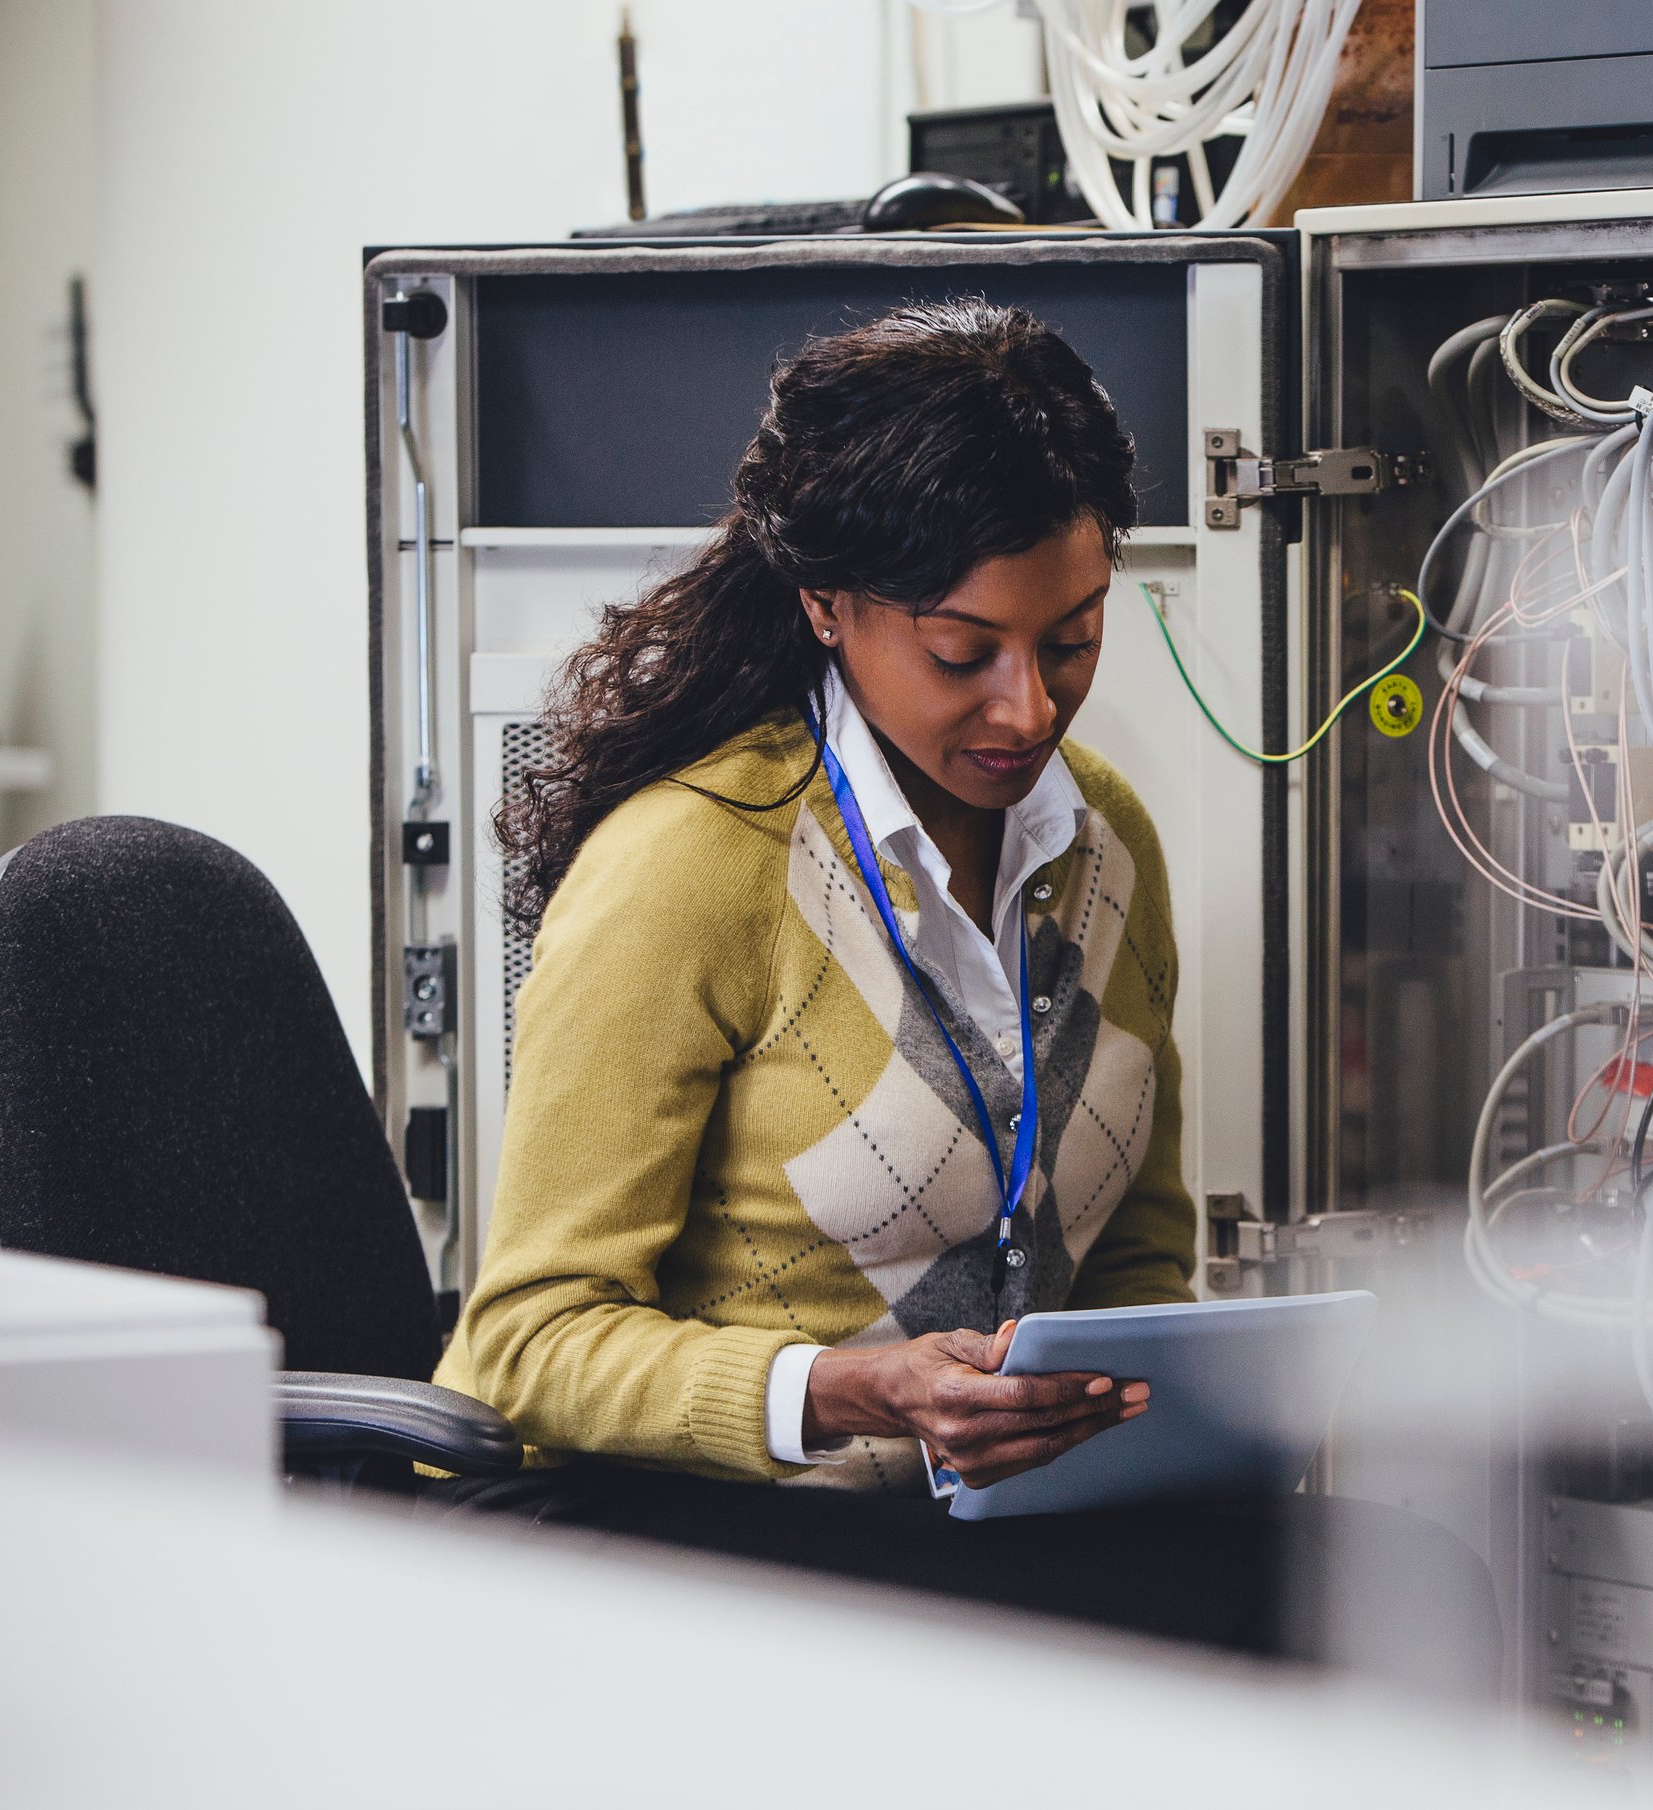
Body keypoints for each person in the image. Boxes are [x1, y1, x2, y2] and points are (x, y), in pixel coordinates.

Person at [435, 299, 1495, 1684]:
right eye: (962, 653)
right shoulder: (692, 864)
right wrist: (839, 1390)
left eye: (1070, 639)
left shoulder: (1105, 846)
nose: (1027, 709)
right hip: (707, 1517)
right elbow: (525, 1343)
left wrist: (1180, 1409)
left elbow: (1131, 1269)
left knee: (1400, 1580)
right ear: (828, 603)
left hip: (963, 1521)